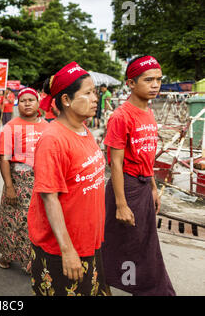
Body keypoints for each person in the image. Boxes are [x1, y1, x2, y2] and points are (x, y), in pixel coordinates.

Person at [27, 62, 109, 296]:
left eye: (95, 92)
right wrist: (67, 250)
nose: (95, 98)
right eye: (88, 93)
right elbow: (49, 198)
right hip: (62, 246)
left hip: (87, 239)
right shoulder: (53, 140)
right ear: (66, 100)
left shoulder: (84, 129)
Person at [102, 55, 176, 296]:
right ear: (131, 83)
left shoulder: (148, 112)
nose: (155, 85)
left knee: (142, 243)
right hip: (127, 187)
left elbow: (147, 157)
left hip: (143, 186)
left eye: (158, 79)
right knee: (129, 243)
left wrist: (154, 188)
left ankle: (132, 285)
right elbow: (115, 163)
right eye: (148, 80)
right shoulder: (121, 116)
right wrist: (121, 204)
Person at [0, 87, 49, 274]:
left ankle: (29, 258)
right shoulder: (11, 126)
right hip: (18, 179)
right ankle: (7, 254)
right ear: (18, 104)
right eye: (23, 100)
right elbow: (4, 158)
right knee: (12, 218)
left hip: (42, 178)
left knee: (35, 221)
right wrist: (9, 186)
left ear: (38, 103)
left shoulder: (47, 127)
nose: (27, 103)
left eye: (31, 100)